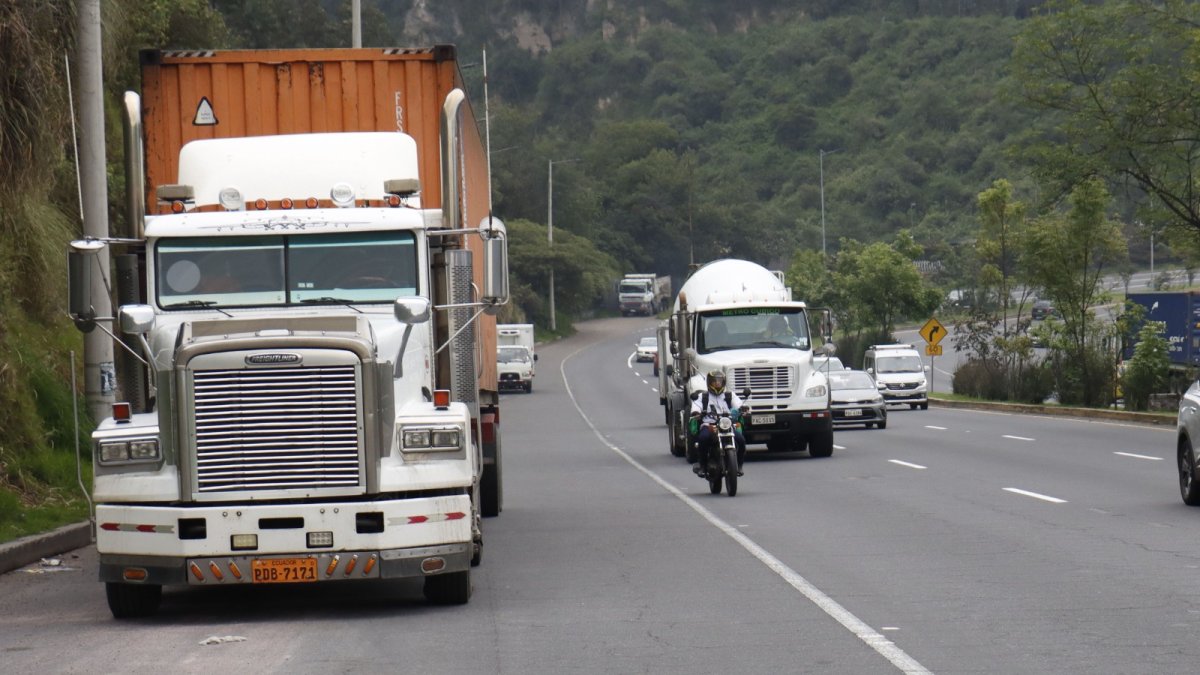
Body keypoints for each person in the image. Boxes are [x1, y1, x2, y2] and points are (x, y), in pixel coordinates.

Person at [689, 370, 747, 477]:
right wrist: (696, 412)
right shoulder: (703, 397)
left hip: (727, 424)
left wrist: (743, 408)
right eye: (714, 381)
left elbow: (738, 404)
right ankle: (702, 465)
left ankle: (739, 465)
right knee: (703, 438)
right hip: (709, 425)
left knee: (741, 440)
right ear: (709, 383)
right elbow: (696, 405)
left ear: (723, 382)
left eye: (719, 381)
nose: (717, 383)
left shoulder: (730, 395)